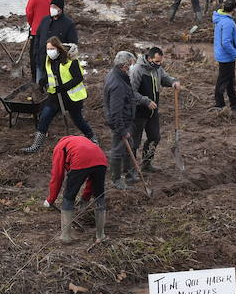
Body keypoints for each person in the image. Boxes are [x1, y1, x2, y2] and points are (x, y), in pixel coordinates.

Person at [22, 37, 94, 153]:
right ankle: (36, 145)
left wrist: (63, 87)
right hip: (55, 96)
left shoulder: (70, 60)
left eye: (52, 48)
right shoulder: (49, 59)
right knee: (44, 117)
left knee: (78, 120)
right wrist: (44, 81)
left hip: (72, 97)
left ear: (58, 48)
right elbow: (52, 74)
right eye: (48, 49)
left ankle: (92, 138)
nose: (50, 51)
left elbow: (78, 78)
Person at [44, 135, 109, 243]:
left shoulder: (60, 147)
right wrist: (85, 198)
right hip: (101, 160)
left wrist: (51, 199)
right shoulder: (81, 140)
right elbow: (91, 179)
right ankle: (100, 235)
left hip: (80, 160)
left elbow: (57, 175)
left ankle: (65, 236)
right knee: (99, 196)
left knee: (69, 196)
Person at [104, 50, 154, 187]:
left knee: (129, 147)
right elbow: (115, 111)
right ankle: (116, 179)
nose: (133, 67)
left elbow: (131, 94)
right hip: (120, 122)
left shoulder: (121, 77)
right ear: (124, 66)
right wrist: (121, 130)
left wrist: (144, 100)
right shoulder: (117, 84)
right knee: (118, 150)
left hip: (126, 119)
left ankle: (130, 174)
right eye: (131, 64)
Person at [130, 46, 179, 172]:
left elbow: (164, 78)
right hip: (139, 112)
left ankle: (147, 163)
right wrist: (145, 101)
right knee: (134, 142)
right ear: (149, 58)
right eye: (157, 61)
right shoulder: (137, 70)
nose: (159, 64)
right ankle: (131, 169)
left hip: (153, 111)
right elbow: (131, 92)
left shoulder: (157, 69)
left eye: (160, 61)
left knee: (155, 137)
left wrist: (173, 82)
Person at [210, 0, 236, 112]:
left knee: (230, 81)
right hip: (226, 56)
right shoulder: (227, 22)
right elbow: (225, 43)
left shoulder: (220, 18)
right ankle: (219, 104)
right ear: (233, 9)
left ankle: (234, 103)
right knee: (223, 81)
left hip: (224, 55)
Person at [25, 0, 55, 83]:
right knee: (49, 56)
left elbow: (29, 11)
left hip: (36, 30)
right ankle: (48, 79)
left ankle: (35, 80)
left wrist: (31, 23)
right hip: (49, 30)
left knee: (35, 55)